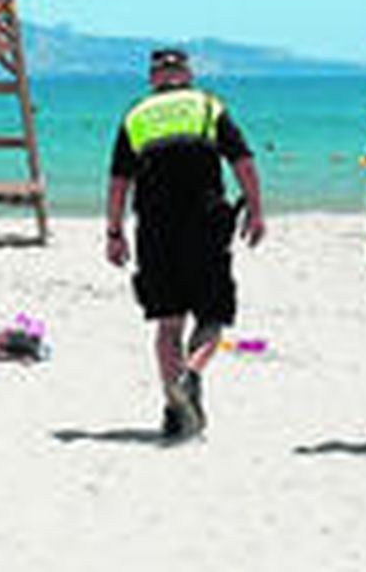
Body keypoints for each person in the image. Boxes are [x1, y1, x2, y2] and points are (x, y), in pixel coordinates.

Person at [105, 48, 266, 440]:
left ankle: (174, 410)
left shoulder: (136, 115)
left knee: (168, 323)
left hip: (155, 230)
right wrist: (256, 211)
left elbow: (119, 181)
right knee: (212, 317)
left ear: (153, 78)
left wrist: (114, 231)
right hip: (207, 225)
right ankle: (192, 374)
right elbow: (242, 161)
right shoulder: (208, 108)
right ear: (188, 74)